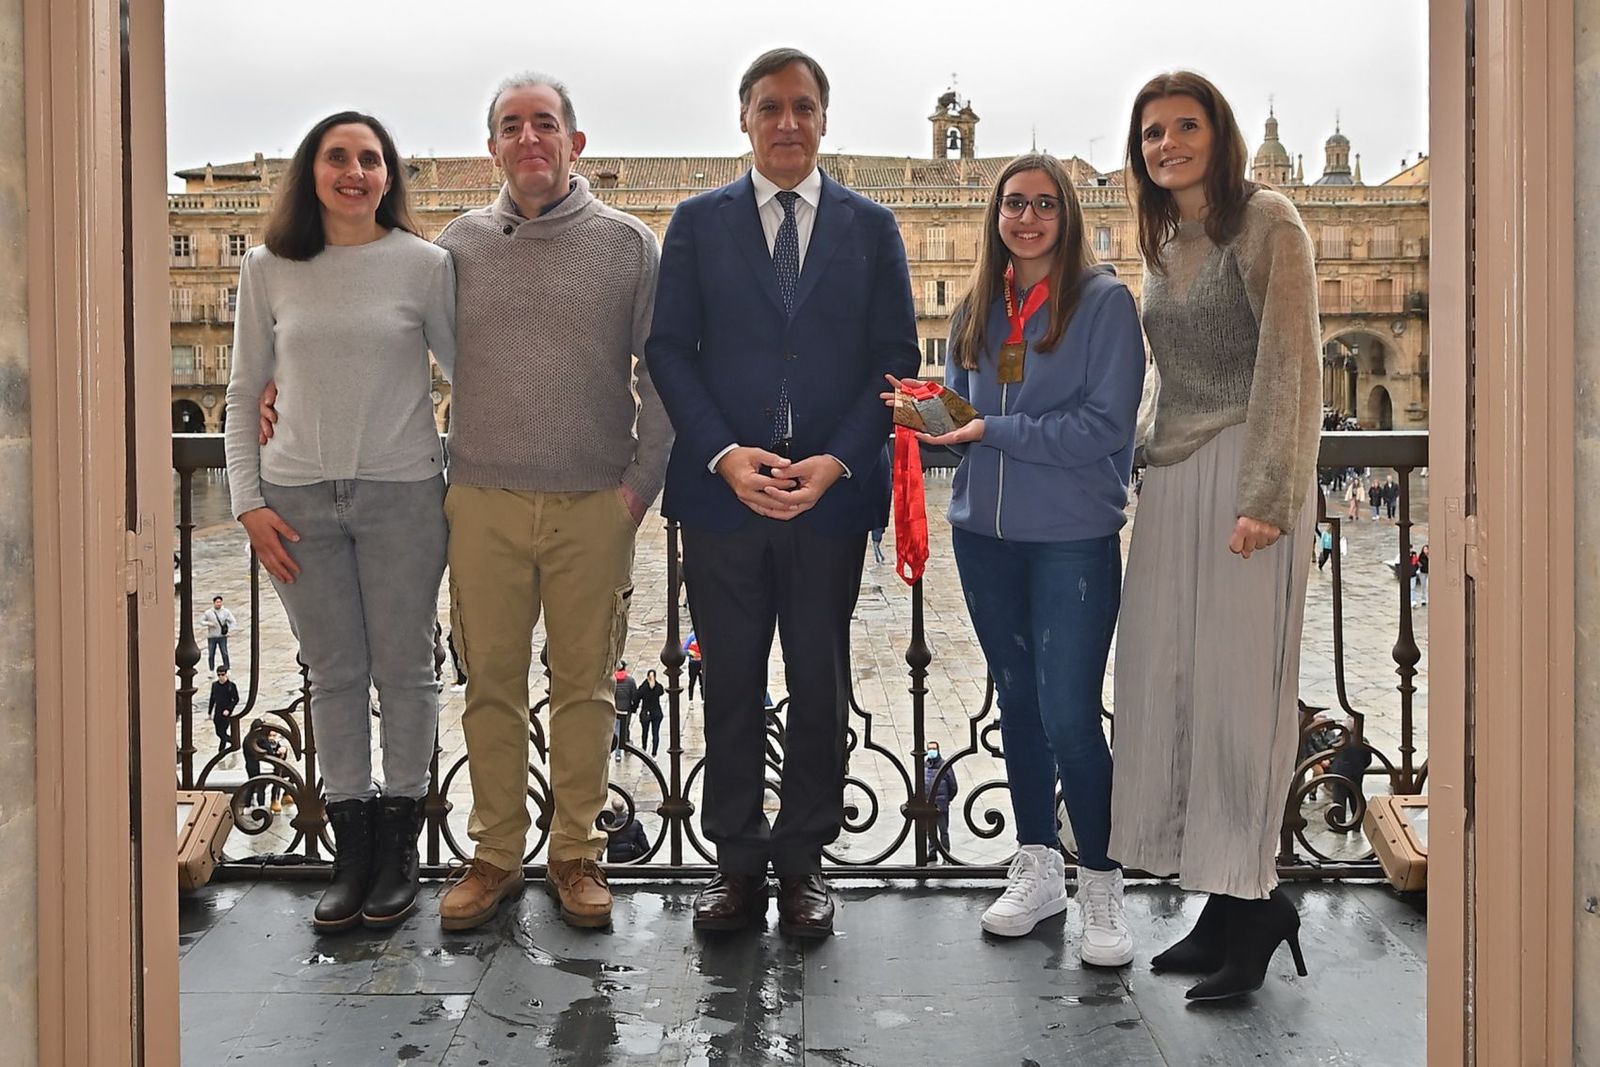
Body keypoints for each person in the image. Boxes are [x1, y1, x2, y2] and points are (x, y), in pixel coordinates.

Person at [646, 47, 920, 939]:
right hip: (725, 496)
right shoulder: (695, 221)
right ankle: (735, 865)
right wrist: (725, 453)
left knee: (817, 680)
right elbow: (668, 352)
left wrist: (837, 461)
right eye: (771, 107)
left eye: (804, 106)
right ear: (745, 119)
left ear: (825, 118)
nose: (788, 122)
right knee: (728, 680)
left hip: (827, 499)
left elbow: (897, 360)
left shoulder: (872, 227)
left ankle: (801, 865)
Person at [427, 72, 672, 932]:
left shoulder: (630, 245)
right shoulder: (454, 245)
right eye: (510, 126)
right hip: (483, 501)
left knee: (585, 689)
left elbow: (661, 374)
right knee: (488, 684)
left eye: (545, 123)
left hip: (590, 507)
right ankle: (494, 853)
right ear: (490, 145)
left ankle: (576, 853)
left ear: (576, 141)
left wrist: (636, 491)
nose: (528, 138)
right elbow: (405, 352)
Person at [884, 153, 1143, 963]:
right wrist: (930, 412)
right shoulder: (974, 307)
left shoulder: (1104, 305)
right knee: (1019, 706)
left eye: (1042, 204)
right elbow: (964, 415)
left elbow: (1107, 426)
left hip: (1070, 537)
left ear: (1065, 214)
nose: (1025, 218)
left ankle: (1102, 880)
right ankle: (1037, 866)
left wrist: (991, 430)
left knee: (1069, 713)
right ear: (994, 218)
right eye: (1012, 205)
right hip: (985, 537)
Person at [1108, 71, 1322, 1001]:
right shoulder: (1166, 241)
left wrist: (1269, 495)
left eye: (1184, 127)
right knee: (1173, 682)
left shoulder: (1266, 220)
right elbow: (1167, 374)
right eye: (1152, 133)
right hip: (1175, 475)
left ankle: (1257, 901)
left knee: (1241, 695)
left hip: (1244, 476)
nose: (1167, 145)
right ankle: (1219, 897)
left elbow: (1290, 359)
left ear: (1218, 133)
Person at [225, 110, 455, 935]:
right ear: (310, 171)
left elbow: (469, 376)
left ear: (389, 176)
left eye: (371, 158)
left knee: (405, 668)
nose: (354, 171)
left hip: (403, 494)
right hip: (296, 502)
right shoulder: (267, 268)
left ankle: (398, 846)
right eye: (337, 157)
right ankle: (349, 847)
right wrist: (246, 501)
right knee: (331, 671)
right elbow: (244, 389)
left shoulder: (426, 266)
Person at [922, 742, 958, 861]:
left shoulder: (944, 765)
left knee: (943, 830)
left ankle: (945, 853)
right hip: (928, 805)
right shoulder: (925, 765)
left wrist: (947, 799)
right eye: (930, 749)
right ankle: (932, 853)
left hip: (941, 804)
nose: (932, 751)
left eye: (934, 748)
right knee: (930, 831)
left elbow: (953, 786)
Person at [604, 796, 651, 863]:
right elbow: (644, 844)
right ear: (624, 807)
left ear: (612, 809)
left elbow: (602, 845)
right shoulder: (635, 823)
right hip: (631, 859)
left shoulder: (608, 827)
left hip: (614, 862)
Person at [201, 595, 238, 672]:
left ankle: (227, 668)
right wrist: (209, 623)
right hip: (212, 636)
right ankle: (211, 670)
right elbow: (201, 621)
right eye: (217, 602)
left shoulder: (226, 612)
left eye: (220, 602)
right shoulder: (209, 612)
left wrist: (229, 630)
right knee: (211, 654)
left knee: (224, 653)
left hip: (222, 636)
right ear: (214, 603)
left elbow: (233, 621)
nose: (218, 604)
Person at [207, 666, 240, 752]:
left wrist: (229, 709)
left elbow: (236, 699)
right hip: (217, 712)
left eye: (222, 674)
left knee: (223, 732)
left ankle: (221, 751)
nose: (221, 677)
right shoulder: (215, 685)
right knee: (219, 732)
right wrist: (209, 712)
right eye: (219, 675)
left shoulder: (231, 686)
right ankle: (233, 741)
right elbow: (212, 699)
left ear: (226, 674)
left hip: (226, 713)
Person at [636, 669, 665, 757]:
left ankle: (644, 749)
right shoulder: (658, 687)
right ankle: (654, 753)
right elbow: (661, 692)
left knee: (645, 732)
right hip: (656, 713)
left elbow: (637, 696)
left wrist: (634, 708)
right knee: (655, 733)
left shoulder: (643, 687)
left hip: (646, 713)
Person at [612, 663, 638, 762]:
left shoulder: (613, 680)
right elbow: (634, 696)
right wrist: (633, 708)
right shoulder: (630, 681)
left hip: (615, 708)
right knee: (625, 728)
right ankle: (626, 746)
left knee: (617, 730)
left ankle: (618, 753)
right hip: (626, 709)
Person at [683, 632, 703, 701]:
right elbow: (684, 649)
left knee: (703, 682)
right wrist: (691, 653)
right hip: (693, 663)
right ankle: (690, 699)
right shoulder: (691, 637)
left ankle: (703, 699)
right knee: (692, 682)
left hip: (702, 664)